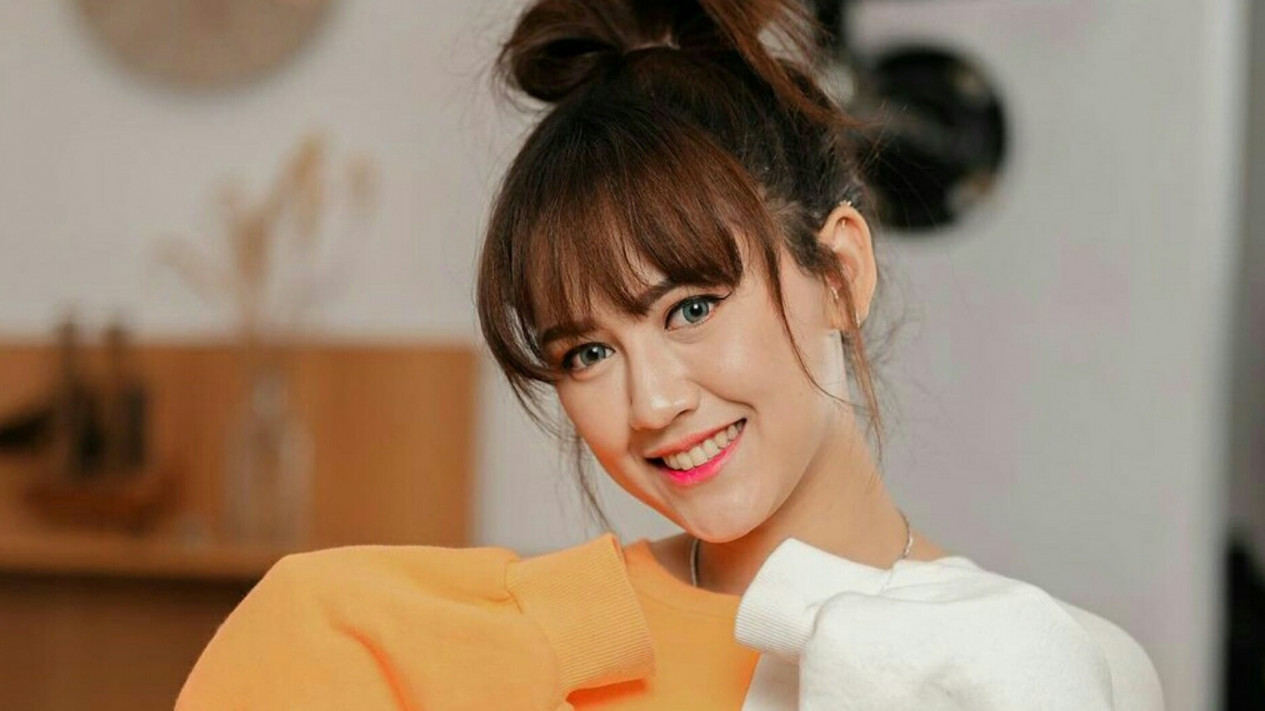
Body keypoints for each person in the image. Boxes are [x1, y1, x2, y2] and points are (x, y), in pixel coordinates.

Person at [176, 0, 1165, 708]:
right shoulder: (421, 651)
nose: (650, 402)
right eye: (586, 353)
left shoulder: (1058, 664)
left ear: (838, 273)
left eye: (691, 307)